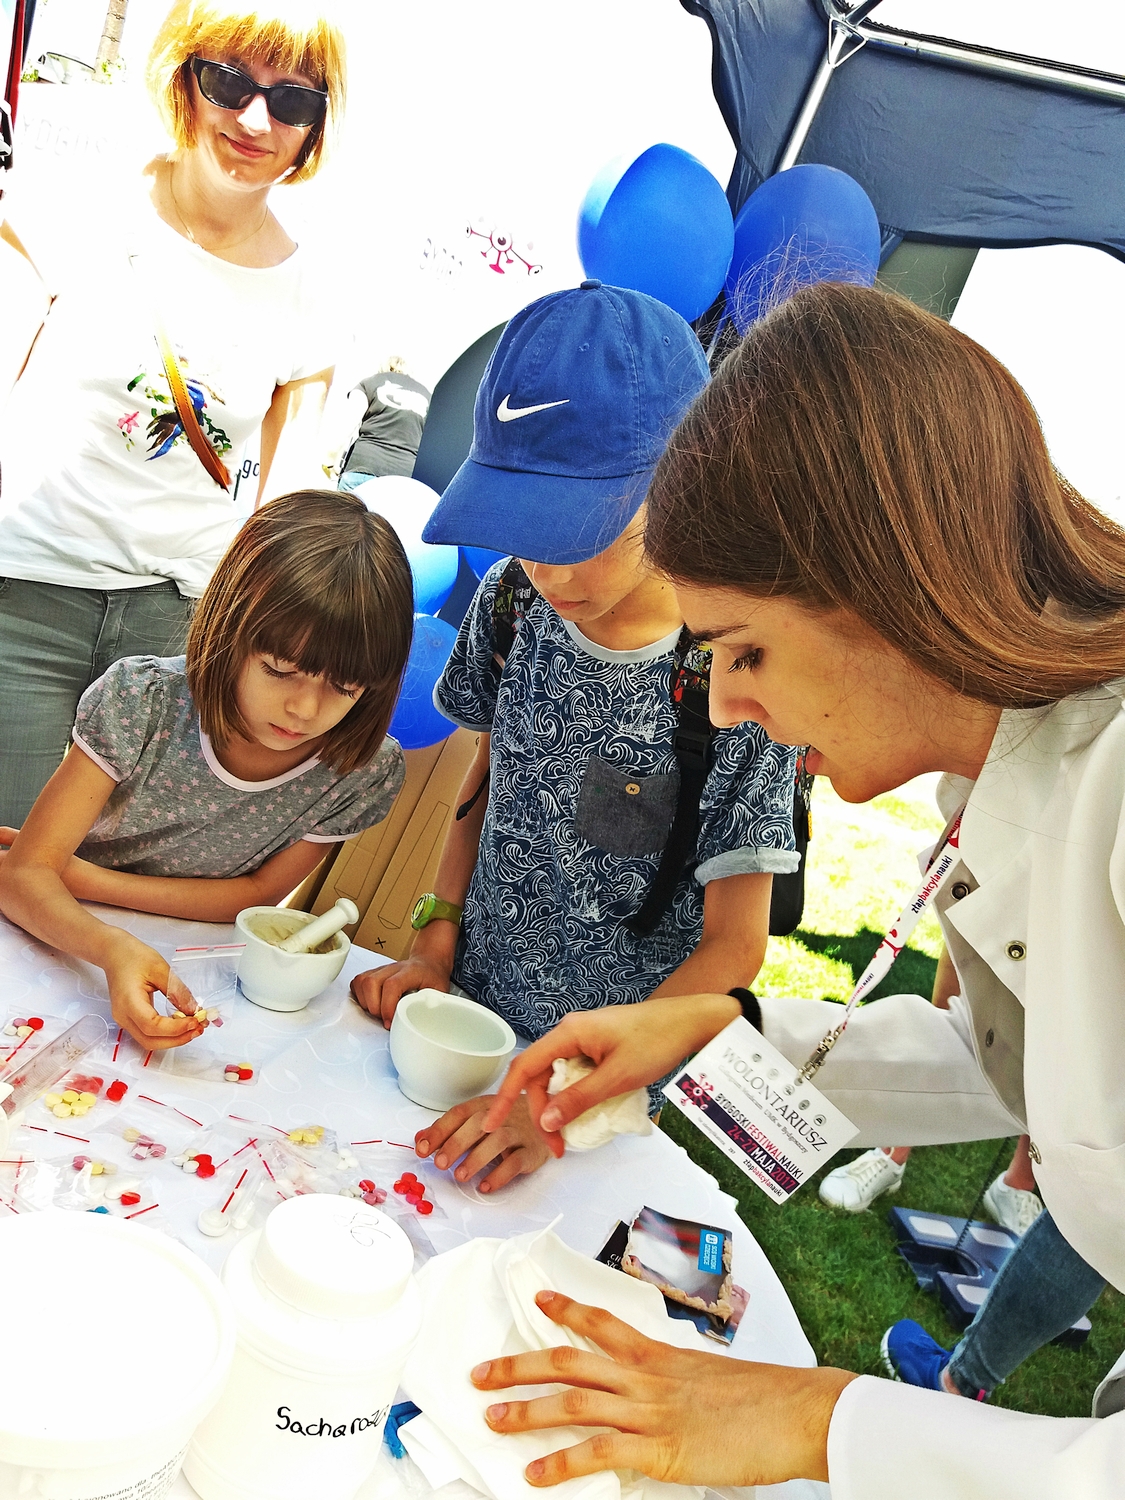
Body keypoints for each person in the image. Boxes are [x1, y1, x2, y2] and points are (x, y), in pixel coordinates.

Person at [466, 281, 1125, 1496]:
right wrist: (716, 1032)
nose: (724, 708)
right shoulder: (1014, 770)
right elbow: (1023, 1062)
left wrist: (828, 1422)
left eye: (747, 651)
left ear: (893, 589)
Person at [350, 281, 799, 1192]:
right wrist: (435, 936)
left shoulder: (740, 677)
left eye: (576, 531)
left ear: (682, 481)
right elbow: (486, 777)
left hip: (603, 1099)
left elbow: (734, 946)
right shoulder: (511, 602)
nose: (547, 568)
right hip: (471, 1019)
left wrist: (559, 1100)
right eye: (522, 527)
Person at [0, 0, 346, 826]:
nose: (255, 120)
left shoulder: (315, 292)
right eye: (228, 83)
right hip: (29, 594)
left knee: (107, 866)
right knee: (15, 857)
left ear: (314, 124)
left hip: (176, 626)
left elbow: (287, 495)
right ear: (182, 78)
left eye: (291, 100)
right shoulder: (71, 207)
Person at [0, 490, 412, 1053]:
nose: (304, 709)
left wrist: (82, 877)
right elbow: (21, 878)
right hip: (64, 931)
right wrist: (108, 944)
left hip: (199, 964)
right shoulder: (142, 701)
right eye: (279, 670)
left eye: (344, 687)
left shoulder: (362, 771)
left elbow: (258, 895)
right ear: (230, 625)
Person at [336, 356, 431, 489]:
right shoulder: (427, 397)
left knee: (348, 504)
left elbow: (349, 421)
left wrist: (333, 457)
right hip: (403, 477)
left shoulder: (369, 383)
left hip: (362, 466)